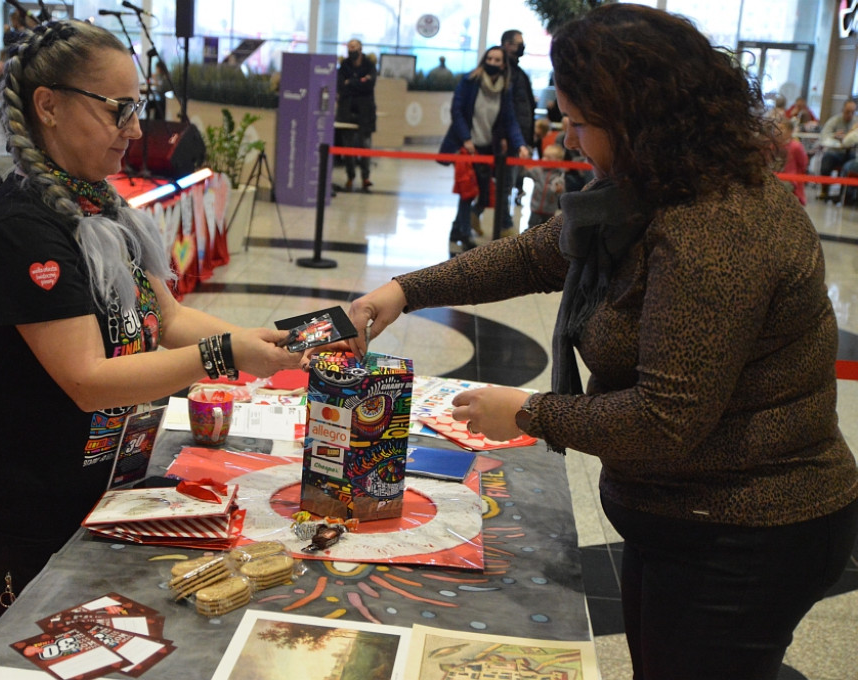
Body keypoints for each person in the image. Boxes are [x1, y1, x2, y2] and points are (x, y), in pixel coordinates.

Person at [347, 6, 858, 679]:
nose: (572, 137)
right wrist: (405, 290)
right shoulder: (651, 184)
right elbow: (539, 254)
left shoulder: (715, 230)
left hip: (748, 531)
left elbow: (664, 419)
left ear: (639, 118)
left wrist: (527, 413)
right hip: (682, 514)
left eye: (582, 124)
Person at [0, 19, 301, 652]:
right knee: (21, 658)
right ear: (47, 105)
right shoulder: (24, 229)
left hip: (94, 483)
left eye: (139, 107)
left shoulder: (100, 207)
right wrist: (224, 356)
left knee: (99, 649)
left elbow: (169, 319)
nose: (136, 128)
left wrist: (265, 340)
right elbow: (87, 381)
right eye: (119, 109)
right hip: (19, 503)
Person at [440, 45, 530, 254]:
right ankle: (463, 235)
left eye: (497, 60)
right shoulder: (470, 81)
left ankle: (458, 232)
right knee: (466, 191)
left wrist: (520, 144)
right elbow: (458, 111)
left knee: (481, 192)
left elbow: (509, 120)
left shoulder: (505, 88)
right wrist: (466, 138)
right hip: (467, 147)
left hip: (489, 148)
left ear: (503, 64)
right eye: (489, 58)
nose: (492, 63)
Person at [336, 39, 377, 193]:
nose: (351, 49)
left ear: (360, 48)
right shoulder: (344, 66)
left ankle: (365, 177)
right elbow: (341, 87)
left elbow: (370, 85)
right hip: (347, 112)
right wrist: (360, 82)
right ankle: (350, 177)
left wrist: (351, 82)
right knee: (348, 147)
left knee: (366, 145)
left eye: (353, 47)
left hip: (366, 113)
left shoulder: (369, 65)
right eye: (349, 47)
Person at [501, 30, 536, 204]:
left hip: (521, 135)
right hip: (511, 136)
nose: (522, 47)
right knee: (505, 182)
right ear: (507, 45)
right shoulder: (504, 71)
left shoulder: (519, 72)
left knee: (514, 177)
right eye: (518, 43)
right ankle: (504, 224)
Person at [816, 98, 858, 202]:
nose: (850, 114)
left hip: (851, 154)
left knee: (850, 166)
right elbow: (824, 136)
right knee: (827, 159)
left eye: (853, 112)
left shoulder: (856, 122)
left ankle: (846, 195)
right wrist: (834, 136)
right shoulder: (834, 121)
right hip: (835, 152)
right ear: (842, 110)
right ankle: (824, 190)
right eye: (848, 112)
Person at [526, 143, 565, 226]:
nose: (544, 159)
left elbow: (561, 189)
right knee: (531, 227)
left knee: (547, 228)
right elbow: (526, 173)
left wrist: (559, 189)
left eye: (548, 158)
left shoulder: (559, 174)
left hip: (549, 210)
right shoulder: (538, 170)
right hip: (535, 207)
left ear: (557, 161)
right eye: (544, 156)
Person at [776, 117, 809, 205]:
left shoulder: (796, 147)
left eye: (781, 128)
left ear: (790, 131)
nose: (777, 131)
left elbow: (803, 164)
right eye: (776, 128)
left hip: (790, 180)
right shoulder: (773, 145)